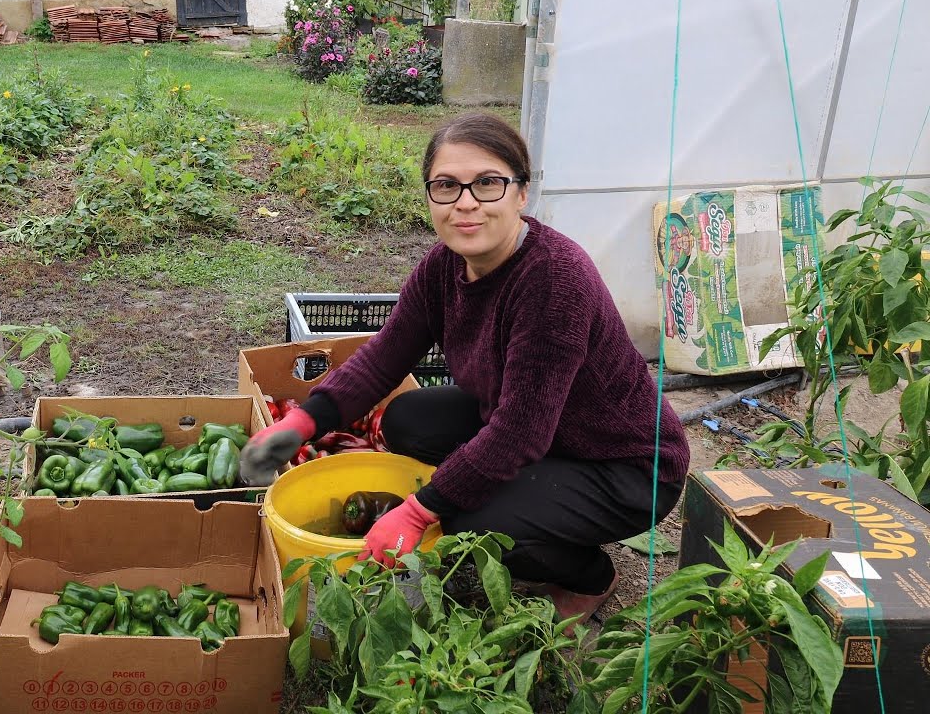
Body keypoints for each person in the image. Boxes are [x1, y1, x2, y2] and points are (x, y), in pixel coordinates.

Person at [240, 112, 690, 625]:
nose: (466, 202)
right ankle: (517, 504)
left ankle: (589, 576)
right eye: (447, 186)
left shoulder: (554, 281)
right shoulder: (443, 267)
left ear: (522, 194)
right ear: (431, 196)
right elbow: (386, 354)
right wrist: (307, 419)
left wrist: (419, 509)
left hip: (623, 465)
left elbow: (520, 433)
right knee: (408, 419)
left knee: (472, 524)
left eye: (488, 183)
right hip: (544, 433)